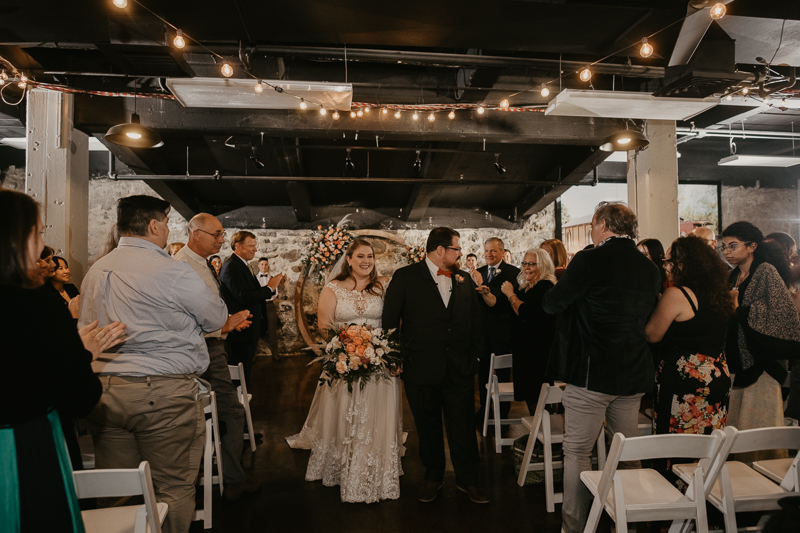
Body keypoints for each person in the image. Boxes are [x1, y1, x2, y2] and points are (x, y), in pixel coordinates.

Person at [79, 195, 228, 533]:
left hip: (103, 392)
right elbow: (215, 317)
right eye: (167, 223)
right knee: (171, 488)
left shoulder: (96, 270)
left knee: (117, 491)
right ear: (154, 225)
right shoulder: (171, 271)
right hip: (159, 394)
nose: (168, 229)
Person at [0, 189, 125, 532]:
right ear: (13, 237)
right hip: (21, 446)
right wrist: (81, 354)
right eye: (37, 233)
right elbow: (78, 396)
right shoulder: (35, 302)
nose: (41, 246)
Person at [542, 202, 660, 533]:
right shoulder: (649, 268)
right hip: (633, 372)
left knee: (577, 452)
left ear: (603, 224)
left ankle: (575, 527)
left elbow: (552, 303)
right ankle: (630, 520)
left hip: (593, 373)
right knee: (626, 450)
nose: (592, 232)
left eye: (594, 226)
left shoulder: (589, 259)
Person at [286, 239, 403, 503]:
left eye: (370, 256)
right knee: (346, 412)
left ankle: (376, 466)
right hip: (345, 362)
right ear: (348, 259)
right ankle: (341, 465)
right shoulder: (334, 288)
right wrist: (348, 348)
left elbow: (397, 319)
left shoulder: (384, 285)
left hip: (378, 362)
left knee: (375, 415)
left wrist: (382, 350)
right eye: (360, 256)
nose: (366, 261)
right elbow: (325, 325)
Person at [383, 227, 488, 504]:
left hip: (460, 368)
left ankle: (469, 480)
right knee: (427, 427)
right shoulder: (405, 277)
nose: (460, 254)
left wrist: (476, 357)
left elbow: (475, 321)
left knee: (463, 427)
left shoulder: (465, 279)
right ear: (440, 250)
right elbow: (390, 321)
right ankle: (433, 477)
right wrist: (393, 357)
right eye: (456, 249)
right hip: (420, 368)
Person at [174, 213, 262, 501]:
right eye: (217, 234)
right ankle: (232, 479)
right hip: (202, 349)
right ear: (196, 233)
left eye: (223, 234)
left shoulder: (200, 263)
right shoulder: (183, 267)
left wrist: (228, 321)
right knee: (232, 412)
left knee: (226, 412)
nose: (222, 239)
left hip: (212, 343)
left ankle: (226, 474)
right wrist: (223, 325)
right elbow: (188, 317)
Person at [721, 222, 800, 449]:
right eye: (724, 247)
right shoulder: (731, 275)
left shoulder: (766, 271)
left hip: (761, 360)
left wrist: (739, 309)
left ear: (752, 246)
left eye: (733, 246)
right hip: (735, 357)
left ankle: (762, 476)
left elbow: (781, 315)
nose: (727, 252)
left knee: (757, 426)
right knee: (735, 424)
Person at [645, 237, 733, 441]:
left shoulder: (677, 294)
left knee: (677, 442)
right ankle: (707, 474)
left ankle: (673, 474)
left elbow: (652, 334)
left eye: (668, 261)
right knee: (709, 438)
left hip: (684, 379)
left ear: (683, 264)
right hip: (716, 373)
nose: (665, 266)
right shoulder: (720, 294)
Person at [496, 248, 557, 414]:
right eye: (524, 263)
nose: (526, 267)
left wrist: (510, 295)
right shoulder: (525, 289)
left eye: (532, 264)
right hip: (525, 352)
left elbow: (527, 313)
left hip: (538, 353)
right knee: (531, 399)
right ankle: (537, 436)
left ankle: (547, 436)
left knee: (541, 400)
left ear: (543, 266)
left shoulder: (545, 286)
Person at [220, 231, 285, 383]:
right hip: (241, 330)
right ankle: (238, 402)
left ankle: (242, 398)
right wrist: (269, 288)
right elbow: (244, 296)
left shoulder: (243, 265)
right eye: (251, 246)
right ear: (237, 246)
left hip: (249, 328)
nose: (255, 250)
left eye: (255, 246)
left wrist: (274, 286)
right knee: (239, 374)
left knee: (245, 372)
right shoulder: (231, 266)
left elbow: (254, 292)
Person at [475, 237, 520, 421]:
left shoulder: (513, 272)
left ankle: (503, 413)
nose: (489, 254)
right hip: (483, 332)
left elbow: (507, 302)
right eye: (486, 251)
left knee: (502, 374)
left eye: (493, 251)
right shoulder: (478, 273)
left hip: (503, 331)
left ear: (502, 252)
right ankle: (485, 410)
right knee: (483, 373)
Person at [256, 257, 281, 362]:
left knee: (272, 330)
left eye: (266, 264)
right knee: (255, 329)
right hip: (258, 306)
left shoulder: (272, 279)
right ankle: (253, 354)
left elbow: (275, 293)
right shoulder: (254, 279)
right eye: (262, 264)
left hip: (270, 305)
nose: (264, 266)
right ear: (258, 265)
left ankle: (275, 354)